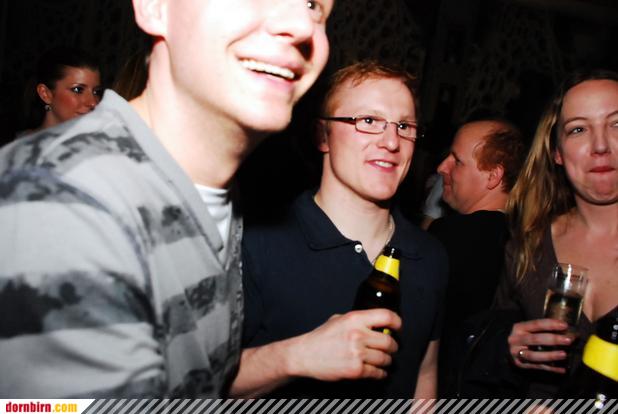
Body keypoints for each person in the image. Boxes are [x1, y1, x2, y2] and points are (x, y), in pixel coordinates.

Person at [0, 0, 333, 398]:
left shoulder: (215, 192)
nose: (301, 24)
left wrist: (296, 356)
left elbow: (197, 383)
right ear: (154, 8)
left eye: (313, 5)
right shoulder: (61, 200)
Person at [231, 61, 448, 398]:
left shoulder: (431, 256)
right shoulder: (257, 243)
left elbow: (425, 372)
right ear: (323, 136)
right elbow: (193, 387)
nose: (392, 141)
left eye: (404, 125)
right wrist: (297, 356)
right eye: (369, 121)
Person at [494, 69, 618, 397]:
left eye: (617, 124)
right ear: (557, 153)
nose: (601, 145)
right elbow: (486, 358)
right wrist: (506, 351)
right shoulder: (527, 249)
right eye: (578, 129)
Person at [427, 118, 526, 396]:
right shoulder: (529, 241)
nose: (442, 167)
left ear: (493, 176)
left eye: (457, 161)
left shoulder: (450, 235)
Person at [20, 46, 103, 133]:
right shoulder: (23, 141)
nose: (93, 103)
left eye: (96, 92)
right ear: (45, 94)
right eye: (78, 90)